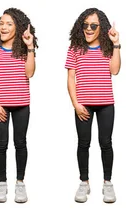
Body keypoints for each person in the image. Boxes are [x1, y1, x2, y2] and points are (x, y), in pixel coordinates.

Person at [0, 7, 37, 204]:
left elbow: (29, 73)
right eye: (1, 23)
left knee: (20, 143)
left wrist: (30, 47)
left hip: (22, 104)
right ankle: (2, 182)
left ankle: (20, 183)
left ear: (18, 27)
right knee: (1, 144)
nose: (3, 27)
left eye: (9, 24)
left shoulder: (24, 49)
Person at [65, 8, 120, 204]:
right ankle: (84, 182)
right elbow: (71, 78)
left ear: (101, 28)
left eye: (94, 25)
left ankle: (107, 183)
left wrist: (116, 44)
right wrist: (76, 104)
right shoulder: (75, 48)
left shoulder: (108, 48)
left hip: (106, 103)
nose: (89, 29)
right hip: (83, 105)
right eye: (85, 25)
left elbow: (114, 71)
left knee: (106, 143)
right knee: (83, 143)